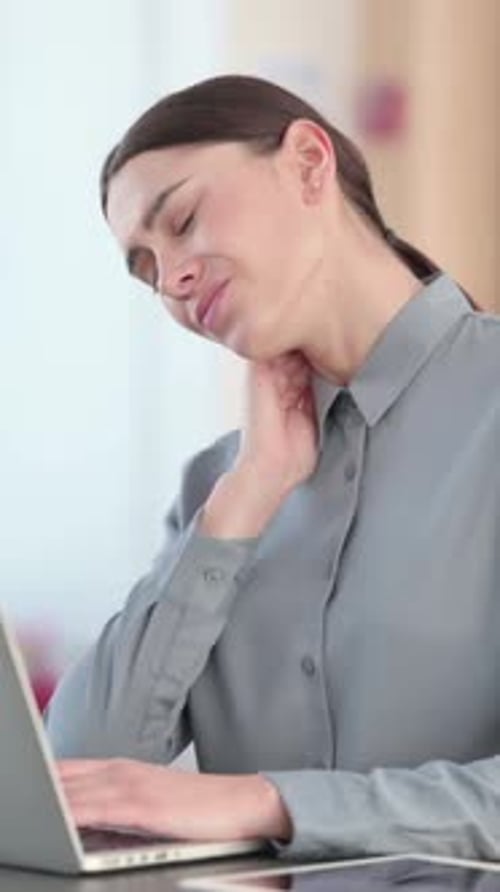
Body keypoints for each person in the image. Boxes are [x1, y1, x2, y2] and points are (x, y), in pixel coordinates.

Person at [46, 74, 500, 860]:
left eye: (183, 220)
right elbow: (87, 768)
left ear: (308, 163)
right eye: (148, 270)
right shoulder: (219, 486)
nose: (174, 280)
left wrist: (266, 801)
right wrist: (247, 499)